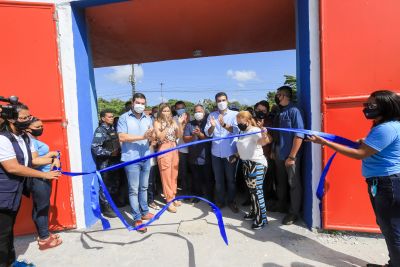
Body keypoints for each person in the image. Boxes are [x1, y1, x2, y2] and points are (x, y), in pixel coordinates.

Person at [309, 90, 400, 267]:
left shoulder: (385, 128)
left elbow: (360, 154)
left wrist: (326, 143)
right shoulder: (390, 125)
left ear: (386, 106)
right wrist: (366, 142)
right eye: (366, 104)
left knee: (391, 229)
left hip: (387, 183)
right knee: (390, 226)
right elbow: (373, 147)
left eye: (371, 105)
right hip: (388, 181)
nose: (366, 108)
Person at [0, 105, 60, 266]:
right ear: (11, 119)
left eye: (29, 117)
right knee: (2, 235)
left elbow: (32, 160)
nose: (28, 120)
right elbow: (12, 167)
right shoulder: (3, 139)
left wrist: (54, 157)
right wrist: (44, 174)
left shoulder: (24, 138)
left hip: (14, 192)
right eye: (24, 118)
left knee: (7, 233)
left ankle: (10, 262)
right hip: (3, 192)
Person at [117, 93, 154, 233]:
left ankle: (144, 211)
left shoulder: (147, 118)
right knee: (133, 189)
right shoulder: (124, 118)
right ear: (132, 103)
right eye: (138, 102)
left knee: (144, 187)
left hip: (145, 156)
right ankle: (137, 218)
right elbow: (122, 136)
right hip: (131, 159)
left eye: (143, 103)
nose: (140, 105)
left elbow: (150, 136)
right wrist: (142, 137)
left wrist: (152, 136)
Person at [25, 117, 63, 250]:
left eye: (42, 126)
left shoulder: (32, 140)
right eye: (38, 127)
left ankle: (43, 234)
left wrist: (51, 155)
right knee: (42, 209)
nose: (41, 129)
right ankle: (45, 239)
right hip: (39, 178)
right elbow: (32, 162)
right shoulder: (29, 140)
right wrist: (52, 157)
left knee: (39, 207)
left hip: (42, 178)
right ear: (28, 128)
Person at [272, 86, 304, 225]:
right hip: (279, 152)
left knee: (293, 183)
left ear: (284, 95)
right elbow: (277, 134)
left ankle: (293, 212)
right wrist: (273, 150)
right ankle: (281, 205)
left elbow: (299, 135)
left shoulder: (294, 110)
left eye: (278, 94)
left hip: (290, 155)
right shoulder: (280, 112)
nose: (276, 97)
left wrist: (292, 157)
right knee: (281, 182)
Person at [236, 111, 272, 229]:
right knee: (252, 191)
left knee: (257, 192)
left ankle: (262, 218)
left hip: (256, 163)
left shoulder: (254, 130)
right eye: (237, 122)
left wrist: (264, 134)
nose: (238, 124)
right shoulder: (243, 131)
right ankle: (254, 212)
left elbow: (263, 142)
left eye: (240, 122)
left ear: (247, 120)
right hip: (246, 163)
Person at [204, 92, 239, 213]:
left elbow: (237, 131)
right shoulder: (211, 115)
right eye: (218, 101)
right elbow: (208, 133)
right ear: (216, 102)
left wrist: (224, 125)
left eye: (223, 100)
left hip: (230, 153)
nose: (221, 103)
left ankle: (231, 201)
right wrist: (213, 126)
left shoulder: (235, 115)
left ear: (227, 101)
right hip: (216, 153)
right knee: (218, 180)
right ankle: (220, 201)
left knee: (231, 180)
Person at [154, 103, 186, 213]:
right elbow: (160, 137)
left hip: (174, 147)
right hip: (164, 148)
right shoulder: (157, 122)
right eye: (164, 111)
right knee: (166, 176)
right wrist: (167, 126)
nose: (166, 113)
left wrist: (180, 124)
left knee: (174, 175)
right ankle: (169, 201)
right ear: (160, 112)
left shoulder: (173, 121)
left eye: (168, 111)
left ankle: (173, 196)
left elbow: (179, 136)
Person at [91, 110, 122, 218]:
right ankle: (106, 208)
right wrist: (109, 153)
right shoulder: (100, 130)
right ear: (103, 118)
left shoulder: (112, 129)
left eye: (112, 116)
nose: (112, 118)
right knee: (105, 185)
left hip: (114, 161)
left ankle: (113, 203)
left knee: (114, 183)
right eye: (109, 117)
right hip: (105, 162)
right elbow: (95, 147)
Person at [183, 104, 213, 203]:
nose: (198, 113)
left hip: (206, 156)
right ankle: (198, 195)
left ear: (204, 113)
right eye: (196, 111)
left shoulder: (208, 123)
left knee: (208, 178)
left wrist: (200, 134)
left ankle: (210, 196)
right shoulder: (189, 124)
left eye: (200, 111)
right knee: (196, 178)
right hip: (193, 157)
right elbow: (185, 139)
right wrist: (193, 136)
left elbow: (209, 139)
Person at [254, 100, 277, 201]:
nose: (260, 112)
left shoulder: (270, 122)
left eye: (263, 110)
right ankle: (251, 199)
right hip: (253, 155)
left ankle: (266, 200)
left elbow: (271, 139)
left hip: (266, 154)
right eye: (258, 110)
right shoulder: (251, 121)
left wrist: (262, 129)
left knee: (267, 179)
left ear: (267, 112)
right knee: (253, 179)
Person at [173, 101, 191, 198]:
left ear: (185, 108)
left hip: (192, 149)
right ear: (175, 110)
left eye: (182, 108)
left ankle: (194, 191)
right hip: (181, 149)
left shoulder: (191, 117)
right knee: (183, 172)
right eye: (178, 108)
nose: (180, 110)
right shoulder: (174, 119)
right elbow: (177, 134)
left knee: (193, 172)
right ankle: (185, 191)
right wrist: (182, 124)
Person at [148, 106, 161, 210]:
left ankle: (150, 200)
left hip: (151, 158)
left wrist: (154, 142)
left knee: (151, 181)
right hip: (140, 159)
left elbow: (155, 140)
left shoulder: (153, 129)